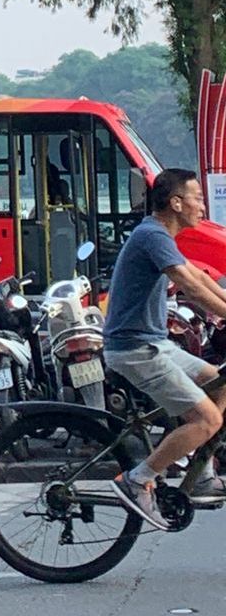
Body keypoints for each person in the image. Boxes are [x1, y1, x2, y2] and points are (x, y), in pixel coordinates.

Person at [104, 168, 226, 529]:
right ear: (175, 203)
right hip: (135, 349)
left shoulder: (160, 235)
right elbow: (190, 286)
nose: (202, 206)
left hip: (155, 344)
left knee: (219, 383)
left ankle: (200, 472)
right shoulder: (152, 235)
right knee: (208, 418)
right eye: (197, 198)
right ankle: (138, 478)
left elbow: (202, 278)